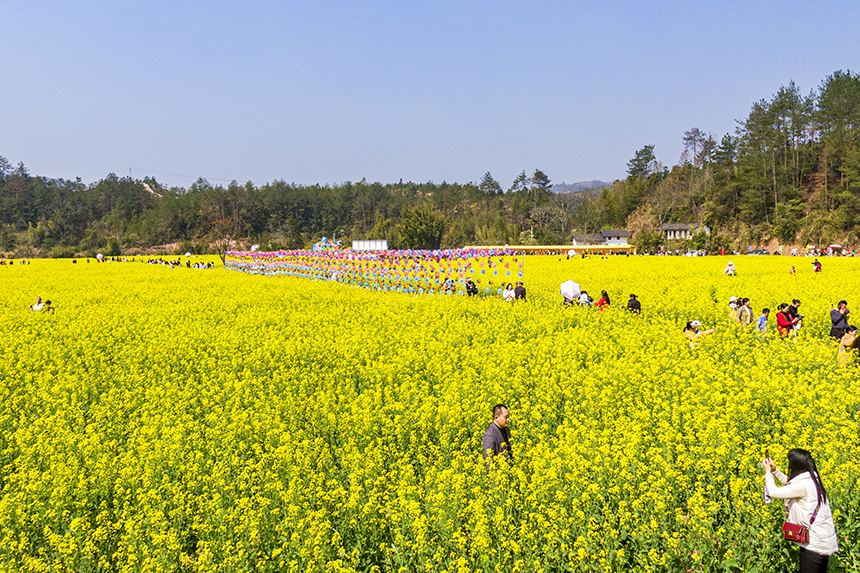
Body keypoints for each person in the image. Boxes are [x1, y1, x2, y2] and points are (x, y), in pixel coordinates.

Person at [762, 449, 838, 572]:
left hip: (814, 545)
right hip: (822, 540)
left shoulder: (802, 486)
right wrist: (775, 471)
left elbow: (773, 492)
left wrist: (768, 473)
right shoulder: (812, 478)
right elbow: (791, 484)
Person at [482, 404, 512, 468]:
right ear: (496, 418)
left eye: (508, 417)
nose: (508, 419)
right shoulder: (489, 435)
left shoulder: (506, 429)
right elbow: (489, 460)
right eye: (506, 417)